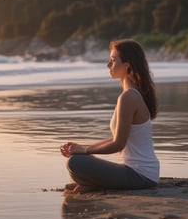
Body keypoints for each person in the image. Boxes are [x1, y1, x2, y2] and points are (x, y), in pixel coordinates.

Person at [60, 39, 160, 193]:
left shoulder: (128, 97)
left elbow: (118, 144)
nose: (108, 65)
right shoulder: (130, 95)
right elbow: (117, 138)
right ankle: (94, 184)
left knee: (76, 162)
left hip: (140, 175)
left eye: (113, 61)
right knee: (77, 161)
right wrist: (84, 148)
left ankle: (95, 184)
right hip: (141, 173)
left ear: (127, 66)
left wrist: (85, 150)